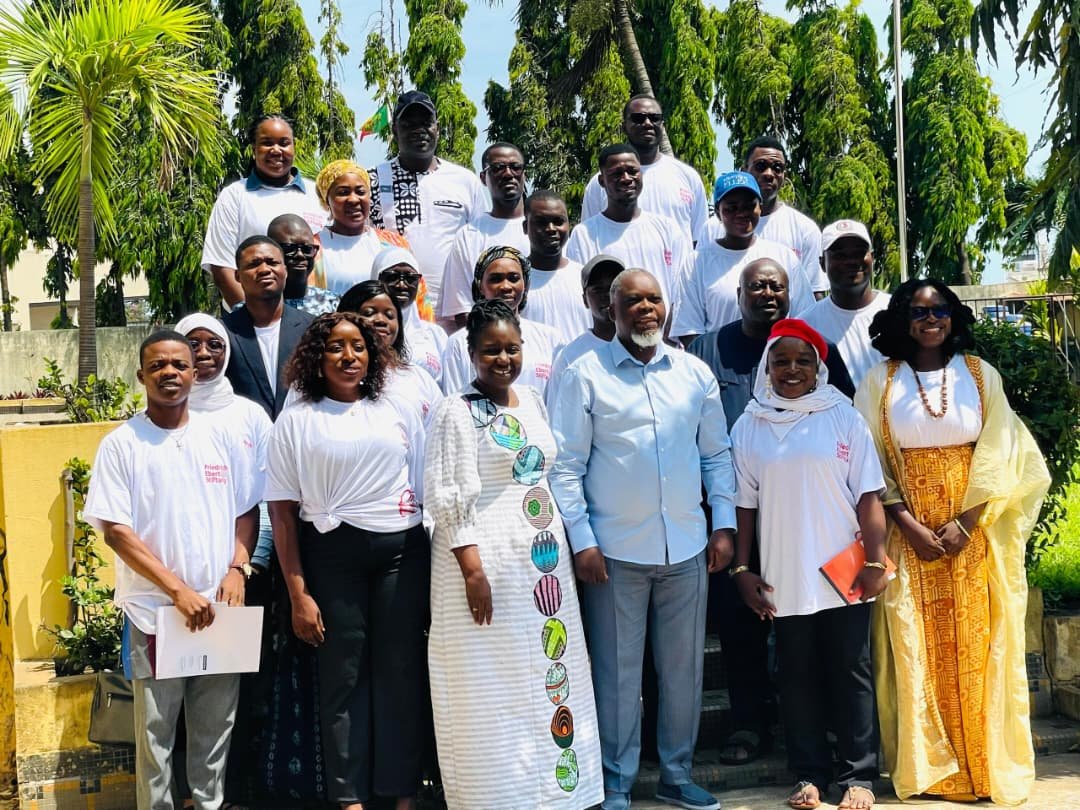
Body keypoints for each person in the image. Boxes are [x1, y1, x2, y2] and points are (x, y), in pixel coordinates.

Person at [854, 280, 1050, 804]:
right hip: (907, 536)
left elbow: (1002, 453)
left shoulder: (981, 375)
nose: (930, 319)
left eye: (939, 309)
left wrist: (965, 523)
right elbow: (868, 463)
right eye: (918, 312)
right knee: (914, 646)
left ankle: (983, 765)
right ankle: (929, 770)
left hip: (971, 536)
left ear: (953, 315)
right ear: (901, 319)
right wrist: (909, 525)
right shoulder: (879, 381)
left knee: (978, 646)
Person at [550, 269, 736, 810]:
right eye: (632, 300)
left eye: (654, 298)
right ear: (612, 309)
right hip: (613, 554)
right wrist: (582, 541)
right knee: (616, 674)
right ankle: (615, 782)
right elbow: (566, 467)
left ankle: (677, 775)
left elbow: (716, 456)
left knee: (683, 672)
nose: (645, 309)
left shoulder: (694, 374)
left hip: (686, 547)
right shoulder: (584, 375)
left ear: (667, 307)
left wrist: (722, 523)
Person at [424, 299, 604, 809]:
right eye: (491, 351)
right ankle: (498, 795)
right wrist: (472, 570)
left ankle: (559, 793)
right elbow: (447, 495)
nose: (503, 359)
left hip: (542, 570)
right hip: (485, 565)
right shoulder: (455, 411)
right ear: (470, 353)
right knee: (492, 680)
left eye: (511, 349)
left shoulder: (531, 400)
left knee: (550, 671)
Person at [684, 260, 853, 768]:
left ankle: (819, 731)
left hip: (810, 520)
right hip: (737, 515)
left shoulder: (816, 346)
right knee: (742, 627)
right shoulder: (707, 350)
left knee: (816, 633)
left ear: (790, 292)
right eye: (755, 285)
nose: (766, 292)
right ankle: (749, 724)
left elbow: (841, 422)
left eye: (776, 285)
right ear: (737, 293)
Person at [84, 330, 261, 810]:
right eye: (158, 365)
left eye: (180, 365)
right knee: (155, 736)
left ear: (194, 372)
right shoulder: (122, 444)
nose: (171, 373)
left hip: (219, 609)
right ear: (141, 375)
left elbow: (248, 510)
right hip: (155, 615)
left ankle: (208, 805)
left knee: (214, 730)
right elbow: (117, 532)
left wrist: (237, 568)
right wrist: (178, 591)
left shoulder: (217, 436)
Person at [266, 312, 429, 810]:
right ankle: (349, 796)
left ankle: (400, 792)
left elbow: (421, 484)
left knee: (400, 673)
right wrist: (298, 592)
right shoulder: (296, 421)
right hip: (331, 556)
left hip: (401, 553)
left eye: (358, 346)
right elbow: (283, 514)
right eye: (336, 347)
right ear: (317, 357)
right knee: (343, 676)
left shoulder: (395, 409)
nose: (349, 356)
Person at [729, 319, 887, 810]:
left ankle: (859, 776)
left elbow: (868, 495)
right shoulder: (750, 424)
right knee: (796, 675)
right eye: (781, 361)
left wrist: (877, 560)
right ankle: (809, 773)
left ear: (819, 367)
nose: (791, 370)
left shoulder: (843, 416)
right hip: (784, 572)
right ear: (767, 366)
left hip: (844, 569)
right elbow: (745, 505)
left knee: (851, 669)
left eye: (802, 361)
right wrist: (741, 570)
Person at [368, 90, 489, 313]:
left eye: (426, 123)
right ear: (394, 129)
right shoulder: (371, 180)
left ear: (437, 128)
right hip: (393, 310)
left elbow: (480, 246)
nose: (419, 131)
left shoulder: (465, 181)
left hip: (456, 311)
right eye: (409, 124)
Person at [672, 171, 812, 344]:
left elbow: (804, 319)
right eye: (731, 208)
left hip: (775, 364)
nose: (741, 213)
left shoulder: (784, 257)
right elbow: (689, 330)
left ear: (760, 207)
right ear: (717, 212)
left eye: (748, 206)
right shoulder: (697, 262)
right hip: (718, 366)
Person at [202, 114, 325, 309]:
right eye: (267, 143)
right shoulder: (235, 196)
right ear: (253, 150)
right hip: (252, 319)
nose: (276, 150)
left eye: (284, 143)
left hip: (313, 313)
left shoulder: (317, 195)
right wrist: (253, 318)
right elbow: (221, 267)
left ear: (294, 147)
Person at [564, 144, 692, 310]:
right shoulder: (584, 234)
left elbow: (682, 290)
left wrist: (669, 332)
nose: (626, 178)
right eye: (616, 173)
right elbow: (579, 294)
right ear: (602, 181)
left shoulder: (668, 228)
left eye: (632, 171)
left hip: (660, 334)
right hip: (610, 335)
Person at [703, 136, 826, 294]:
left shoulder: (805, 229)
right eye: (760, 166)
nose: (769, 174)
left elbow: (814, 294)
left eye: (777, 167)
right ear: (744, 170)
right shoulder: (712, 227)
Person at [580, 95, 708, 245]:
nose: (647, 123)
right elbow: (588, 239)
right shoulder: (601, 183)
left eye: (654, 118)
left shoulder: (688, 177)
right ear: (624, 127)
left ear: (662, 125)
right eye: (638, 118)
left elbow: (699, 241)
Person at [440, 246, 564, 397]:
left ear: (526, 285)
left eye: (513, 278)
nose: (506, 286)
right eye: (495, 279)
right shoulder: (459, 343)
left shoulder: (551, 339)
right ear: (480, 286)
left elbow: (557, 403)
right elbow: (456, 403)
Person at [222, 236, 315, 422]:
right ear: (237, 276)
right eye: (254, 264)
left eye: (272, 262)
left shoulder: (312, 329)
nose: (264, 270)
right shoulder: (223, 333)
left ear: (285, 271)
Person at [439, 142, 531, 327]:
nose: (508, 174)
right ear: (483, 178)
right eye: (498, 168)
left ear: (524, 173)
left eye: (515, 167)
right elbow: (462, 309)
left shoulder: (544, 228)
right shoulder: (469, 235)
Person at [798, 220, 889, 388]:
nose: (851, 261)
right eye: (840, 255)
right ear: (822, 263)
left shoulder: (898, 312)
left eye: (859, 253)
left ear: (872, 258)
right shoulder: (805, 326)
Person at [545, 254, 625, 410]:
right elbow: (558, 417)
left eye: (613, 288)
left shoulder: (643, 348)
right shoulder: (570, 357)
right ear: (584, 299)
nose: (606, 295)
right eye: (597, 289)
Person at [312, 159, 396, 297]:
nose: (353, 199)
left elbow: (416, 301)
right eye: (343, 192)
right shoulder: (313, 248)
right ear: (327, 200)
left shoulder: (393, 243)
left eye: (360, 192)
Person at [519, 190, 591, 342]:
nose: (551, 229)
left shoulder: (585, 278)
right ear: (525, 227)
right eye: (541, 222)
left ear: (569, 225)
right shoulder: (514, 280)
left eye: (558, 221)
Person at [370, 246, 448, 383]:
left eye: (410, 278)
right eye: (392, 277)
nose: (402, 285)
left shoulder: (435, 334)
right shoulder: (364, 331)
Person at [267, 213, 340, 316]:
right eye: (289, 248)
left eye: (307, 249)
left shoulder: (333, 303)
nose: (300, 255)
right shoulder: (257, 306)